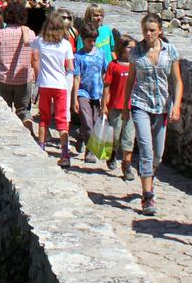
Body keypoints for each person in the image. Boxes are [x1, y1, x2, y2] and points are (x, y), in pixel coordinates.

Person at [125, 13, 183, 216]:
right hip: (141, 104)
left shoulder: (171, 51)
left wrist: (176, 105)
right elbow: (130, 80)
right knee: (146, 149)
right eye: (145, 30)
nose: (148, 34)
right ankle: (147, 196)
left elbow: (176, 80)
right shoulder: (136, 52)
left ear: (160, 31)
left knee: (158, 153)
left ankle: (148, 175)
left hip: (162, 107)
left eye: (152, 30)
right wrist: (126, 106)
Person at [32, 11, 75, 166]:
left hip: (44, 84)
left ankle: (41, 148)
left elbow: (30, 47)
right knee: (62, 120)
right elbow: (70, 66)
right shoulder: (66, 45)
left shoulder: (40, 41)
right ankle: (64, 155)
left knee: (44, 118)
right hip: (60, 85)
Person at [0, 1, 38, 133]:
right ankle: (26, 121)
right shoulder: (31, 35)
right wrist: (36, 77)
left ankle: (6, 133)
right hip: (23, 79)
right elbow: (35, 59)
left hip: (3, 79)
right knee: (23, 109)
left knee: (4, 109)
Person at [102, 36, 137, 181]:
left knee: (129, 138)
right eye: (130, 47)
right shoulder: (113, 65)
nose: (133, 50)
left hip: (131, 107)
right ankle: (111, 154)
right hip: (116, 106)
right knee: (115, 136)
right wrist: (104, 104)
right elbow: (107, 86)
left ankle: (126, 166)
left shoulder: (136, 66)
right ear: (122, 48)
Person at [72, 29, 107, 163]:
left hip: (97, 92)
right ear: (83, 40)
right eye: (89, 41)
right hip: (83, 92)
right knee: (87, 121)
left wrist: (106, 94)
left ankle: (81, 136)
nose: (92, 43)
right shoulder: (78, 56)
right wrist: (74, 98)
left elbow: (104, 74)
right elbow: (77, 77)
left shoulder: (101, 54)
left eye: (94, 41)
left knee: (95, 121)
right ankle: (90, 151)